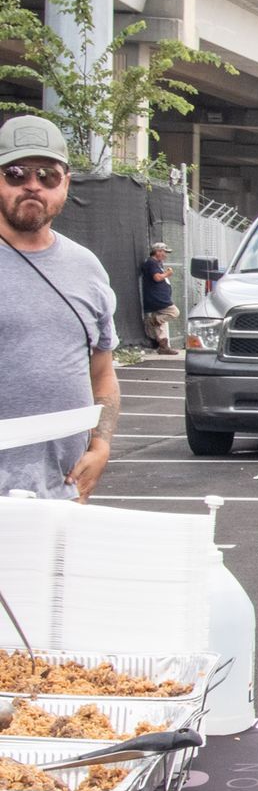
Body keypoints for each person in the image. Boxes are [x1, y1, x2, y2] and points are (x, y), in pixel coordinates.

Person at [0, 117, 118, 502]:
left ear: (65, 183)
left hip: (61, 496)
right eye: (16, 173)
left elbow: (102, 375)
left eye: (47, 175)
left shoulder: (86, 269)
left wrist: (100, 447)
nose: (32, 184)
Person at [139, 242, 180, 355]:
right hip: (157, 298)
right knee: (174, 312)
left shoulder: (156, 263)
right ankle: (153, 321)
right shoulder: (152, 263)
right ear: (158, 251)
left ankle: (163, 346)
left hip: (159, 296)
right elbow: (157, 278)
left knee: (162, 323)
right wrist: (167, 273)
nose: (165, 255)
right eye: (164, 252)